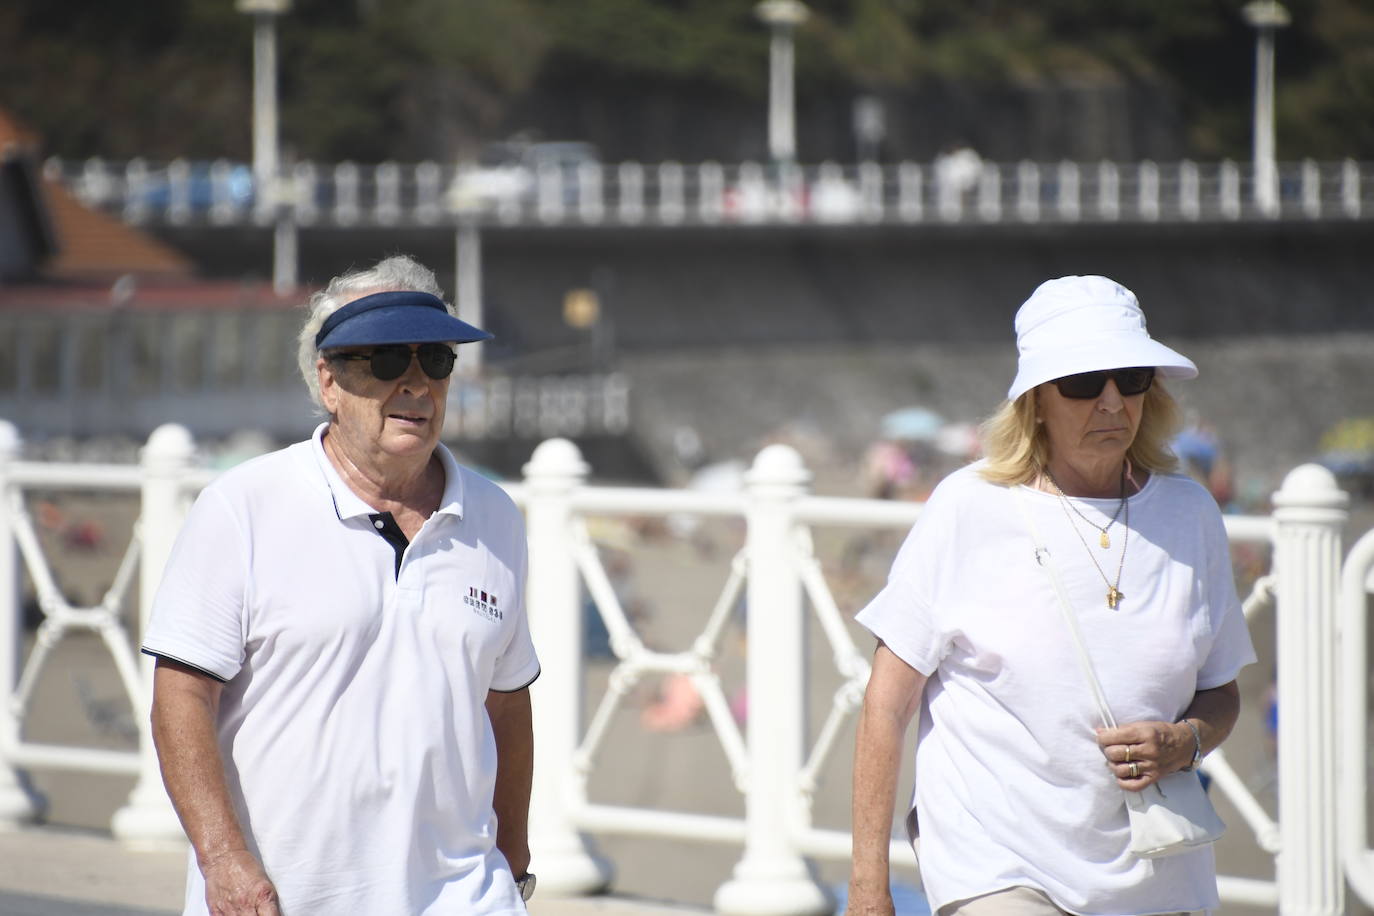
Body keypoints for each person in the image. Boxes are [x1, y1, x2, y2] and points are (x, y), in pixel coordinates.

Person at [142, 255, 540, 915]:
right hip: (285, 897)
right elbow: (181, 694)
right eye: (387, 361)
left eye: (435, 360)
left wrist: (514, 865)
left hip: (464, 895)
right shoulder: (244, 506)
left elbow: (507, 705)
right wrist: (223, 861)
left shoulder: (496, 516)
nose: (416, 384)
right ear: (329, 381)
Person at [847, 275, 1256, 916]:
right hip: (995, 857)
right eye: (1084, 383)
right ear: (1035, 400)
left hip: (1156, 866)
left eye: (1132, 379)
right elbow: (886, 704)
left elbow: (1223, 689)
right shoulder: (968, 506)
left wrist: (1185, 742)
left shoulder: (1190, 514)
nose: (1113, 403)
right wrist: (868, 888)